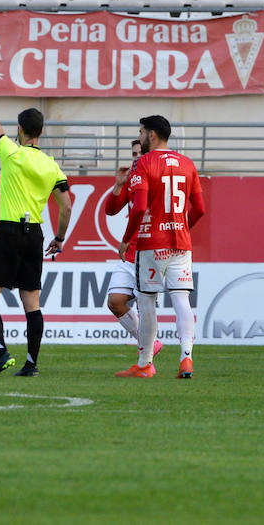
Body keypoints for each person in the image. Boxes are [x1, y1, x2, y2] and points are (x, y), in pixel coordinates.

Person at [0, 65, 71, 376]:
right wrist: (60, 238)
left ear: (20, 129)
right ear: (40, 131)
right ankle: (31, 364)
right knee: (33, 302)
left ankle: (0, 351)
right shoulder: (53, 166)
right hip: (36, 234)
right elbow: (66, 206)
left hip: (11, 230)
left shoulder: (11, 153)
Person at [116, 116, 205, 379]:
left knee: (147, 302)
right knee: (181, 299)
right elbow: (200, 208)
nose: (141, 137)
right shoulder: (187, 164)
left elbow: (140, 206)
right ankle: (186, 358)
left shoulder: (144, 162)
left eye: (141, 132)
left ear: (152, 135)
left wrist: (125, 238)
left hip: (151, 242)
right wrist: (183, 227)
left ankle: (145, 364)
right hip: (181, 243)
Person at [102, 139, 163, 361]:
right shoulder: (131, 181)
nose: (136, 157)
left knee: (146, 308)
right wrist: (118, 185)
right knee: (115, 301)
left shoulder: (158, 179)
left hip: (151, 253)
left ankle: (147, 361)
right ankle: (149, 344)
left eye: (140, 153)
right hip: (129, 256)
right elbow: (110, 211)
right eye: (134, 154)